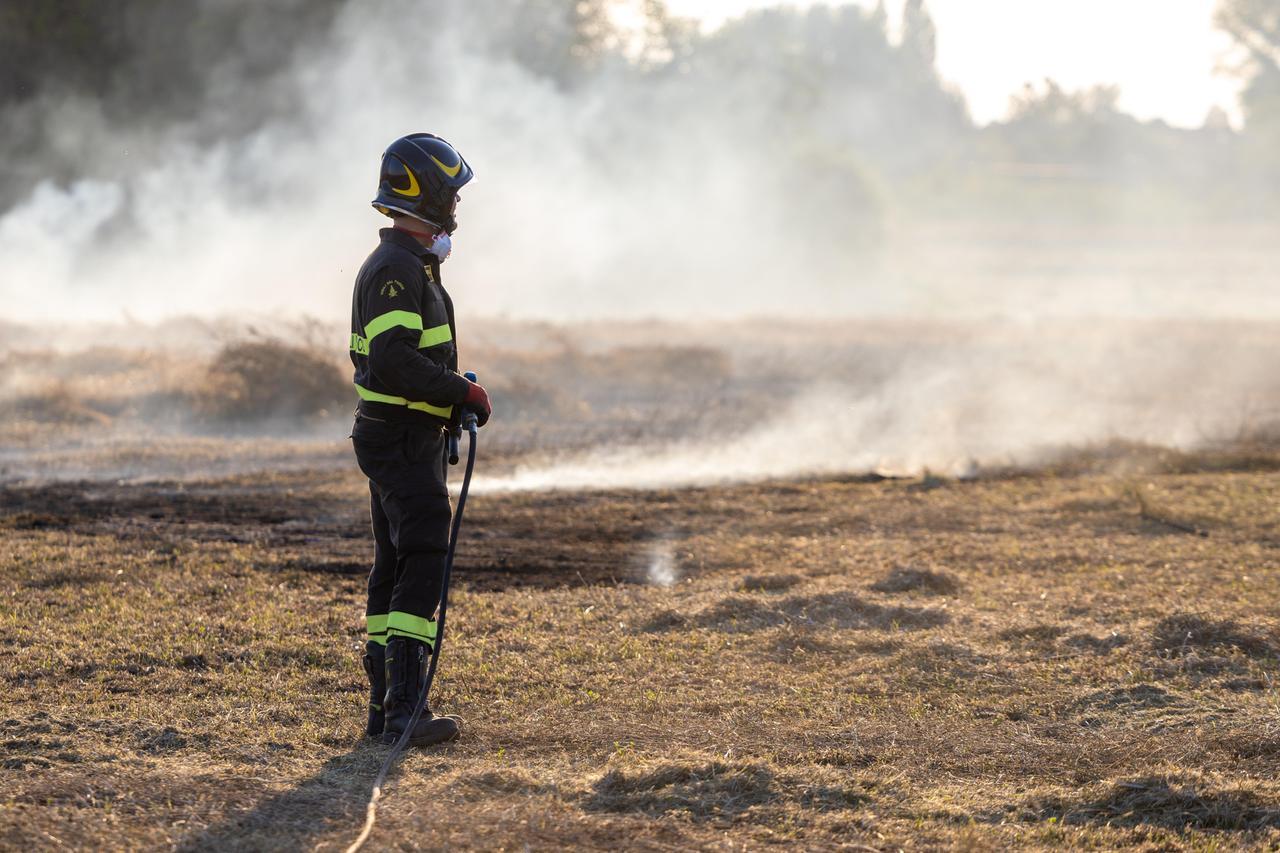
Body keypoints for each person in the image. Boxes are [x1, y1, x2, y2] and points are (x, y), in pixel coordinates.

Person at [348, 133, 492, 746]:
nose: (456, 210)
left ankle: (385, 710)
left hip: (402, 434)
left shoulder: (411, 266)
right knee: (424, 556)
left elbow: (406, 361)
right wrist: (460, 392)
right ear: (427, 193)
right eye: (450, 196)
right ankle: (404, 710)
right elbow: (393, 360)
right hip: (401, 437)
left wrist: (448, 394)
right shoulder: (396, 270)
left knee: (393, 562)